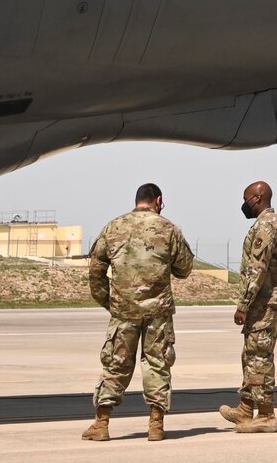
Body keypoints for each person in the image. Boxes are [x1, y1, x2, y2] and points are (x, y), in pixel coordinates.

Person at [81, 182, 194, 442]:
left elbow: (95, 271)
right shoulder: (168, 229)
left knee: (116, 364)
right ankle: (156, 425)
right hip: (158, 313)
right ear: (159, 200)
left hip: (123, 311)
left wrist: (109, 302)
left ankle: (102, 423)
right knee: (157, 364)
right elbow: (185, 268)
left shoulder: (113, 227)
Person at [220, 179, 277, 433]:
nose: (244, 204)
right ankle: (244, 408)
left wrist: (243, 304)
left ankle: (265, 414)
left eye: (246, 199)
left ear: (258, 198)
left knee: (259, 355)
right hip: (274, 297)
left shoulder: (265, 226)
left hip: (265, 299)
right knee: (252, 353)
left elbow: (257, 268)